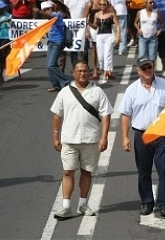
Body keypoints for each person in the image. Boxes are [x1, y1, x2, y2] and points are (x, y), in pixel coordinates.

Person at [50, 60, 113, 219]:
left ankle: (83, 204)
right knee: (67, 172)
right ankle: (65, 207)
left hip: (90, 141)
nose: (82, 73)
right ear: (73, 73)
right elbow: (57, 115)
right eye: (79, 71)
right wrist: (55, 135)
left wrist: (104, 137)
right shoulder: (65, 92)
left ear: (89, 72)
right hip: (69, 140)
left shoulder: (97, 92)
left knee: (86, 173)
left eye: (85, 70)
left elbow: (106, 115)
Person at [119, 57, 165, 217]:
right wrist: (125, 137)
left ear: (153, 67)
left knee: (164, 170)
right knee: (144, 171)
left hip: (161, 134)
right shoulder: (132, 90)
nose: (147, 70)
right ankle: (147, 202)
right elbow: (125, 114)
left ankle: (164, 204)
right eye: (144, 68)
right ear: (138, 71)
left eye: (149, 67)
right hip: (141, 135)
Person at [33, 1, 71, 92]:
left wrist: (38, 11)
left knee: (51, 65)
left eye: (47, 9)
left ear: (51, 8)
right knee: (49, 65)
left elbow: (49, 16)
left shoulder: (57, 15)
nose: (46, 11)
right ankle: (56, 85)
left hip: (58, 42)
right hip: (51, 42)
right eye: (44, 10)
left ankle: (67, 82)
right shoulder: (49, 18)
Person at [92, 0, 120, 82]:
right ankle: (105, 70)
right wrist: (88, 23)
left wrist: (118, 36)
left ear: (107, 5)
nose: (102, 6)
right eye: (101, 4)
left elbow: (117, 25)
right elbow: (95, 26)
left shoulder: (111, 14)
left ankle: (105, 73)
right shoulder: (97, 14)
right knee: (100, 56)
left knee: (107, 54)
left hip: (109, 35)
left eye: (104, 4)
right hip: (99, 36)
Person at [154, 0, 165, 76]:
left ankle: (164, 68)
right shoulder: (152, 1)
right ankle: (151, 70)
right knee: (152, 51)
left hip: (163, 29)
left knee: (163, 49)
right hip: (153, 29)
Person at [85, 0, 100, 79]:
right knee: (95, 49)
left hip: (104, 27)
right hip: (93, 28)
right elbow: (85, 19)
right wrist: (86, 31)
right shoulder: (90, 4)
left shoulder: (105, 2)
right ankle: (95, 70)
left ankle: (106, 69)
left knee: (104, 49)